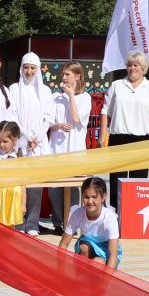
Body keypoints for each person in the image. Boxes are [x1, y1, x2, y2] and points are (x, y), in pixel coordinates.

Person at [6, 53, 57, 233]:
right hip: (20, 142)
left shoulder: (45, 91)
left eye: (32, 68)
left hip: (39, 144)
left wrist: (38, 137)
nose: (29, 71)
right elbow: (11, 115)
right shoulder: (14, 89)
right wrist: (27, 137)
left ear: (37, 69)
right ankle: (18, 222)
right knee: (20, 184)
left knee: (36, 185)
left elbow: (49, 117)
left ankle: (32, 224)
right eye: (26, 67)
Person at [102, 52, 149, 193]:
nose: (132, 68)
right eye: (129, 65)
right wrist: (102, 136)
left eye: (136, 65)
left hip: (142, 141)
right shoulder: (116, 85)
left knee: (138, 183)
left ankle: (135, 213)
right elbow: (106, 111)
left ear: (143, 68)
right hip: (118, 139)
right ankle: (117, 213)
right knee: (116, 182)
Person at [46, 61, 92, 223]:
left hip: (74, 149)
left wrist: (71, 96)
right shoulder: (55, 97)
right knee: (54, 188)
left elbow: (76, 118)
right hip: (56, 148)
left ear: (77, 76)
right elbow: (49, 122)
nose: (64, 78)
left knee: (72, 188)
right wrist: (58, 125)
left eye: (67, 75)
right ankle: (59, 221)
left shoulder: (85, 98)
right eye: (63, 75)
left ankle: (72, 222)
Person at [60, 175, 120, 268]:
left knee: (98, 262)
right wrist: (59, 269)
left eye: (94, 197)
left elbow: (113, 254)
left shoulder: (110, 218)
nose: (90, 201)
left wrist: (108, 278)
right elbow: (64, 244)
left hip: (107, 249)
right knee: (83, 247)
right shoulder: (77, 214)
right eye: (86, 197)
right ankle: (80, 277)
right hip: (88, 245)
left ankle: (96, 280)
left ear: (103, 197)